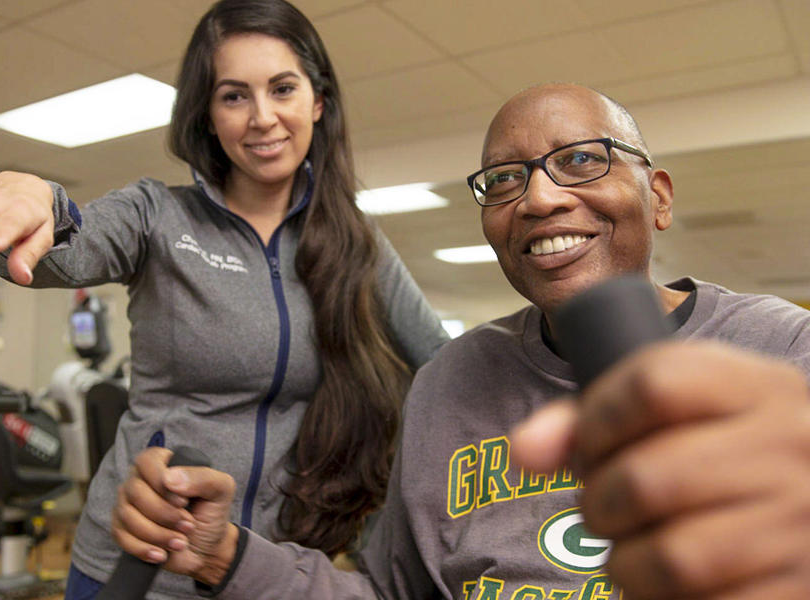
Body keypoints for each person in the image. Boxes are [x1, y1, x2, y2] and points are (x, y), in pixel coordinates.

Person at [111, 83, 810, 599]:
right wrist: (225, 554)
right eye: (505, 180)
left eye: (580, 160)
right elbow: (390, 594)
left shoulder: (784, 350)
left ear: (657, 196)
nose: (538, 199)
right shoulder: (451, 380)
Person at [0, 1, 449, 597]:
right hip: (135, 564)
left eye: (282, 88)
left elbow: (448, 370)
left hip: (267, 571)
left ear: (317, 101)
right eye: (234, 96)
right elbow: (67, 251)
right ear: (208, 115)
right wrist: (36, 197)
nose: (263, 117)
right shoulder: (157, 215)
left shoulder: (357, 244)